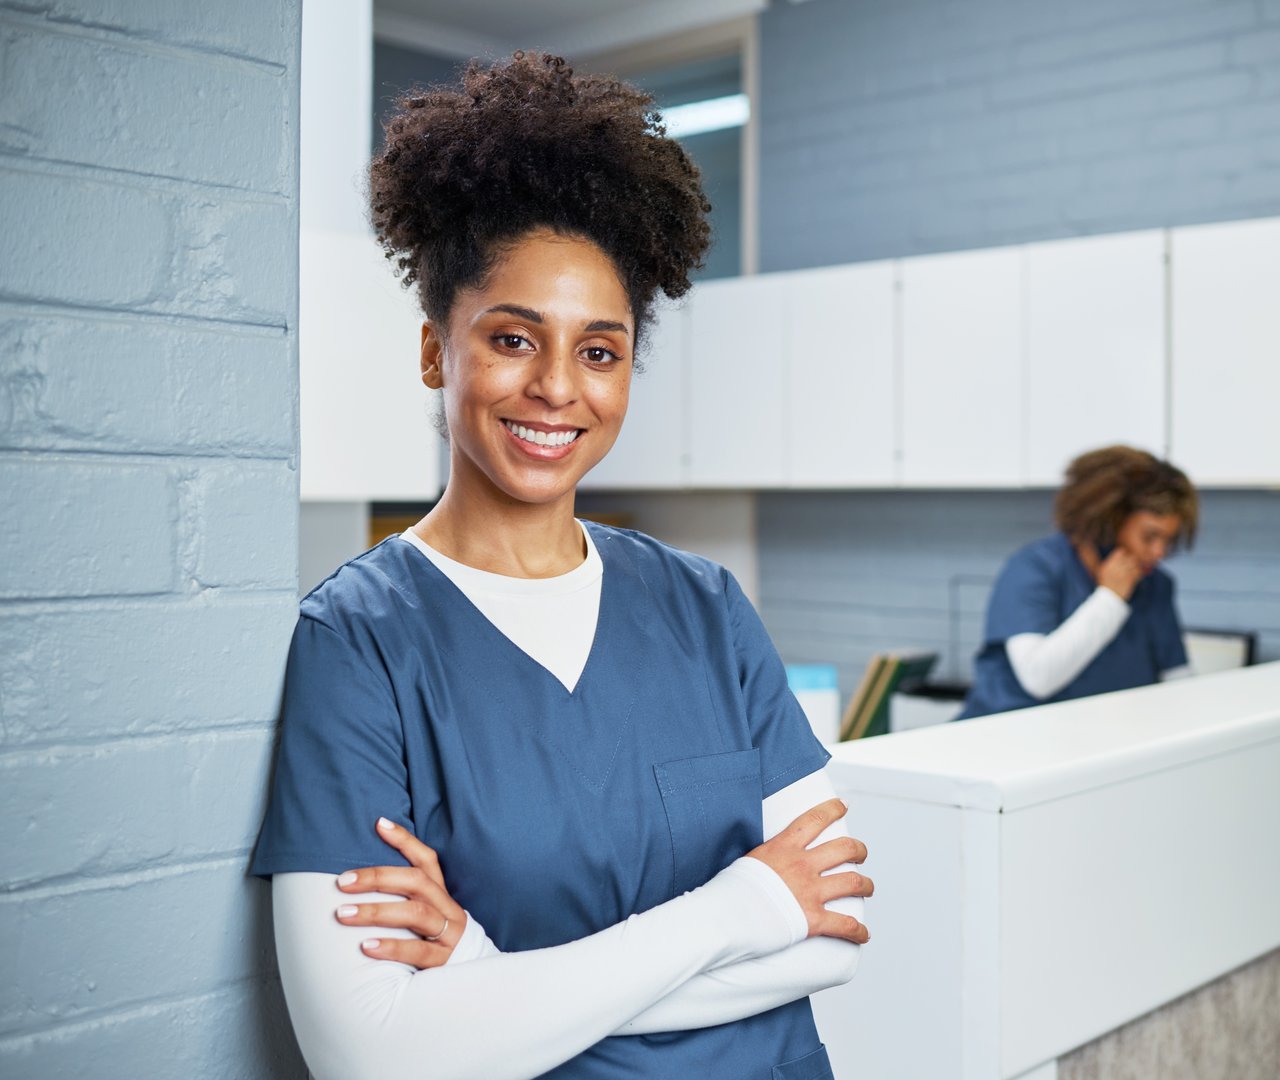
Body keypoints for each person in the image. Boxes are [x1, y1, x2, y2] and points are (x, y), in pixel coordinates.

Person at [251, 53, 870, 1080]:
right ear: (432, 352)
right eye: (510, 337)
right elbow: (373, 1057)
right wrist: (748, 904)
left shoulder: (705, 608)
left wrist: (488, 978)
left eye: (599, 351)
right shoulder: (359, 644)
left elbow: (833, 930)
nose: (554, 389)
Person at [956, 445, 1198, 721]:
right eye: (1149, 537)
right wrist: (1110, 598)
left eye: (1168, 540)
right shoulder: (1035, 568)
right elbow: (1038, 677)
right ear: (1109, 520)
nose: (1159, 553)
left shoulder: (1155, 585)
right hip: (1005, 740)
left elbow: (1178, 680)